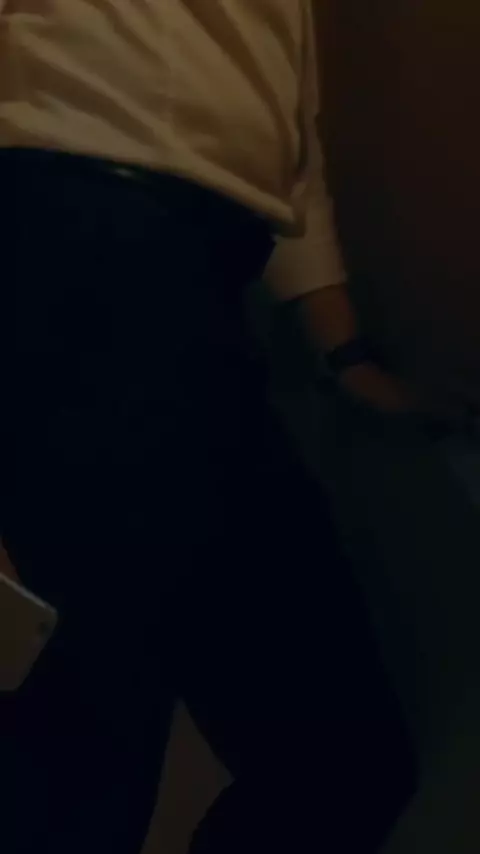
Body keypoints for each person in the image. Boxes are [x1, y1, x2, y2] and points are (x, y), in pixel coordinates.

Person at [0, 1, 417, 852]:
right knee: (96, 722)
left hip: (195, 277)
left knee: (342, 764)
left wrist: (347, 355)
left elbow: (284, 152)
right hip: (71, 219)